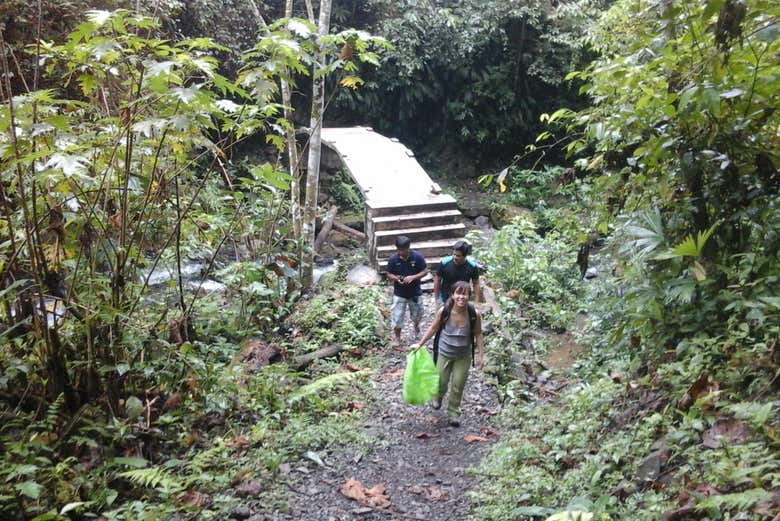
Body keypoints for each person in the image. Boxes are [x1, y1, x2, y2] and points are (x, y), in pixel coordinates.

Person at [412, 281, 484, 427]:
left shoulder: (473, 314)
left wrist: (481, 355)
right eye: (458, 293)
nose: (461, 297)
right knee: (440, 382)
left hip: (463, 356)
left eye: (465, 294)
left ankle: (454, 412)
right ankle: (438, 397)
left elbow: (478, 333)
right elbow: (433, 328)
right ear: (452, 294)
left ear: (469, 296)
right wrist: (420, 344)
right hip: (444, 353)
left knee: (458, 385)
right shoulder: (444, 311)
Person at [386, 235, 428, 347]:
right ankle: (397, 338)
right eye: (399, 250)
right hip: (399, 293)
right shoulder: (393, 259)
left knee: (417, 314)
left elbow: (425, 271)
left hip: (415, 291)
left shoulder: (417, 257)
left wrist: (413, 277)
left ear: (408, 248)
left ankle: (416, 326)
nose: (401, 252)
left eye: (403, 250)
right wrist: (396, 278)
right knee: (397, 316)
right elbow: (389, 274)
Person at [433, 240, 481, 307]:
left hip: (462, 297)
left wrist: (476, 302)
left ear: (465, 256)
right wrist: (437, 299)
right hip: (445, 296)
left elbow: (476, 283)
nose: (455, 257)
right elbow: (437, 280)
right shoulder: (444, 263)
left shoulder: (472, 266)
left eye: (458, 256)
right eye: (454, 254)